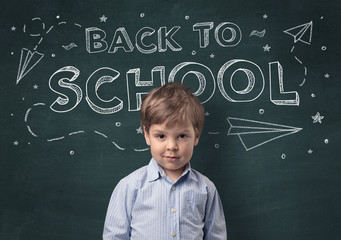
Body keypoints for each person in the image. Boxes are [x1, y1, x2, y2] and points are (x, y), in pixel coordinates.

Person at [103, 83, 227, 239]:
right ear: (147, 135)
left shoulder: (206, 188)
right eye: (161, 136)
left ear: (196, 137)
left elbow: (216, 236)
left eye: (182, 136)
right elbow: (114, 236)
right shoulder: (130, 186)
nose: (172, 146)